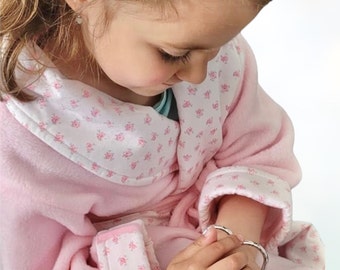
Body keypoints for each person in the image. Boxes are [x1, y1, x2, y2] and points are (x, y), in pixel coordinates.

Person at [0, 0, 325, 269]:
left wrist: (236, 245)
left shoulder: (202, 37)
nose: (198, 76)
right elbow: (34, 258)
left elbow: (257, 154)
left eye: (215, 48)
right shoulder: (21, 133)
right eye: (172, 54)